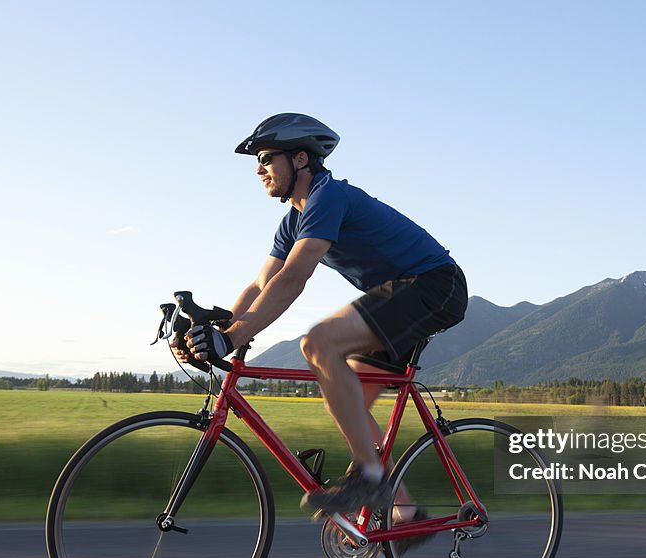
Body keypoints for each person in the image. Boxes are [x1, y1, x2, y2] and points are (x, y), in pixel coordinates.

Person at [173, 113, 467, 518]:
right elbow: (262, 285)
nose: (259, 169)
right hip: (397, 296)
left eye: (266, 158)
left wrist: (234, 338)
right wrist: (215, 329)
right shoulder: (293, 220)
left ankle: (370, 476)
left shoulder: (327, 197)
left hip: (434, 284)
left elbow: (294, 278)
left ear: (299, 160)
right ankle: (407, 514)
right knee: (345, 399)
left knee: (319, 343)